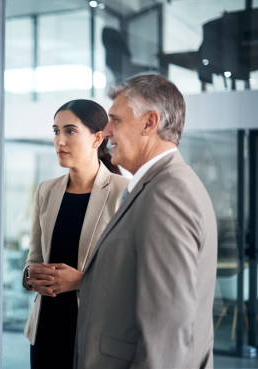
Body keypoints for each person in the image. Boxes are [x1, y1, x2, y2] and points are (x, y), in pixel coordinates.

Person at [74, 74, 217, 369]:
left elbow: (168, 327)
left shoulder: (168, 192)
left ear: (150, 123)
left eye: (116, 120)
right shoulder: (156, 186)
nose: (106, 131)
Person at [22, 99, 129, 369]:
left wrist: (82, 281)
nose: (60, 140)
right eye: (56, 131)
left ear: (97, 138)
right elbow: (33, 258)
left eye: (70, 131)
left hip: (96, 333)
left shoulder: (123, 192)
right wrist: (29, 276)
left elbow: (132, 272)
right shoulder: (46, 191)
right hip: (45, 330)